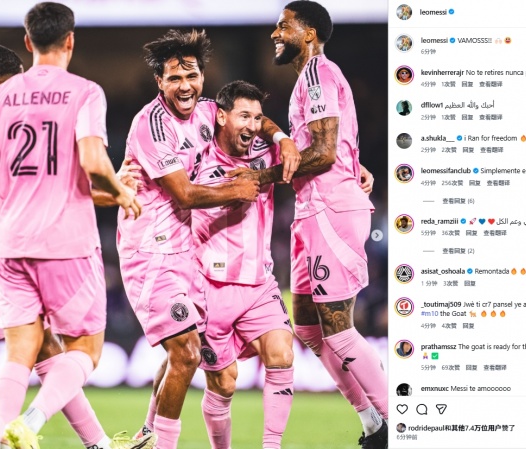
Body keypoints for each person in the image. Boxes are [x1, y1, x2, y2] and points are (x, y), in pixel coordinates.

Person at [0, 3, 142, 448]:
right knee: (52, 352)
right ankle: (92, 443)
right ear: (70, 40)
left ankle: (11, 441)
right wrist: (116, 191)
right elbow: (34, 184)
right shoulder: (38, 100)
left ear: (28, 39)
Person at [118, 29, 296, 449]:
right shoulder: (151, 124)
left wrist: (281, 137)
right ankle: (158, 441)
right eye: (174, 78)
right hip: (151, 252)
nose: (185, 86)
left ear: (202, 77)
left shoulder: (206, 112)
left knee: (184, 350)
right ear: (159, 81)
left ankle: (147, 432)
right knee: (186, 352)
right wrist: (237, 190)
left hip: (186, 252)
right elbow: (184, 194)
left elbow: (250, 114)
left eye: (192, 76)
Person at [228, 2, 389, 447]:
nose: (275, 33)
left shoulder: (318, 72)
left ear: (310, 33)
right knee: (308, 327)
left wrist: (260, 178)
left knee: (338, 326)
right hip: (312, 209)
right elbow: (331, 146)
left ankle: (401, 424)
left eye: (285, 26)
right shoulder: (309, 80)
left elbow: (323, 152)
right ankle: (374, 424)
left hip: (330, 210)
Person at [190, 80, 295, 449]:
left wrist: (283, 137)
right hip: (209, 288)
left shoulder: (267, 153)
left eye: (257, 118)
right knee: (224, 382)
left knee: (282, 353)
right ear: (221, 117)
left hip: (259, 283)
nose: (251, 125)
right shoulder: (197, 154)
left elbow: (315, 158)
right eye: (243, 116)